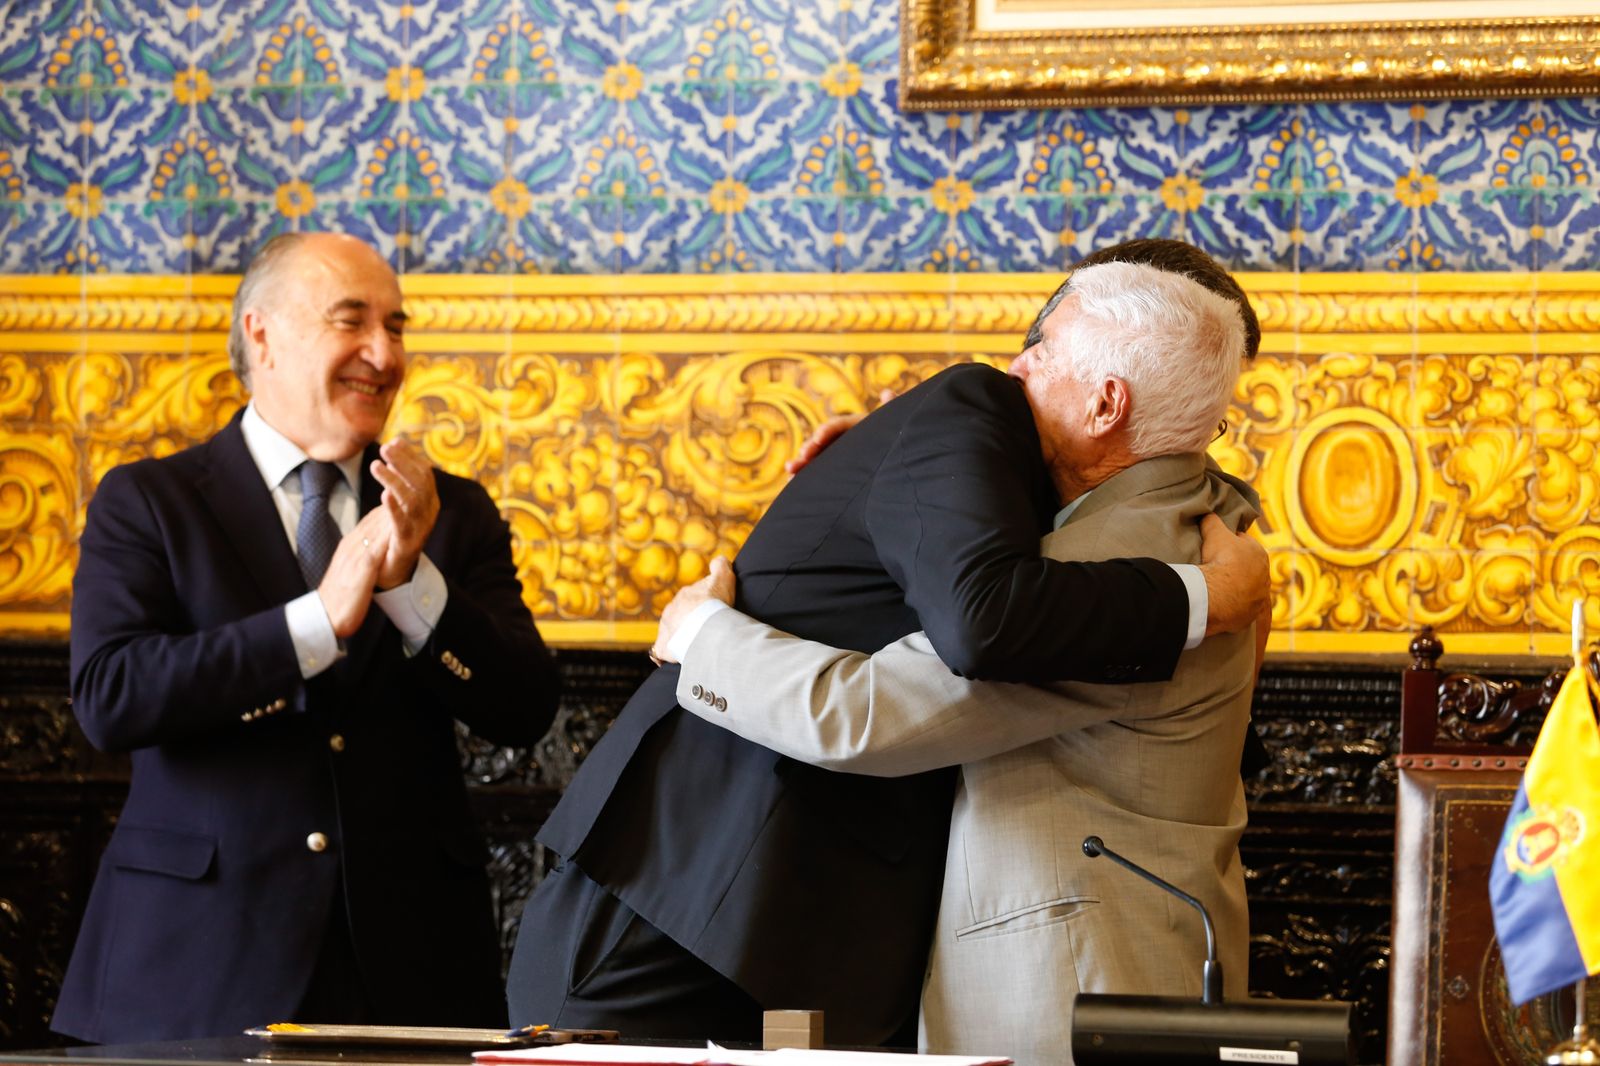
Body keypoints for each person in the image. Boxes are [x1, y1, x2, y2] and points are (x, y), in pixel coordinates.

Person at [504, 239, 1269, 1046]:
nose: (1016, 368)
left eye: (1041, 348)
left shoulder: (1134, 553)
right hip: (706, 900)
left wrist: (702, 635)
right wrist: (913, 468)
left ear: (1107, 403)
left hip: (1061, 977)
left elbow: (869, 711)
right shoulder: (1191, 521)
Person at [52, 232, 561, 1043]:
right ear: (262, 333)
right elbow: (113, 698)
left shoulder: (451, 513)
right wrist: (315, 625)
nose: (383, 354)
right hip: (195, 970)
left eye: (396, 327)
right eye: (351, 321)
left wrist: (409, 585)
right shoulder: (150, 501)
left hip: (412, 977)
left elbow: (525, 707)